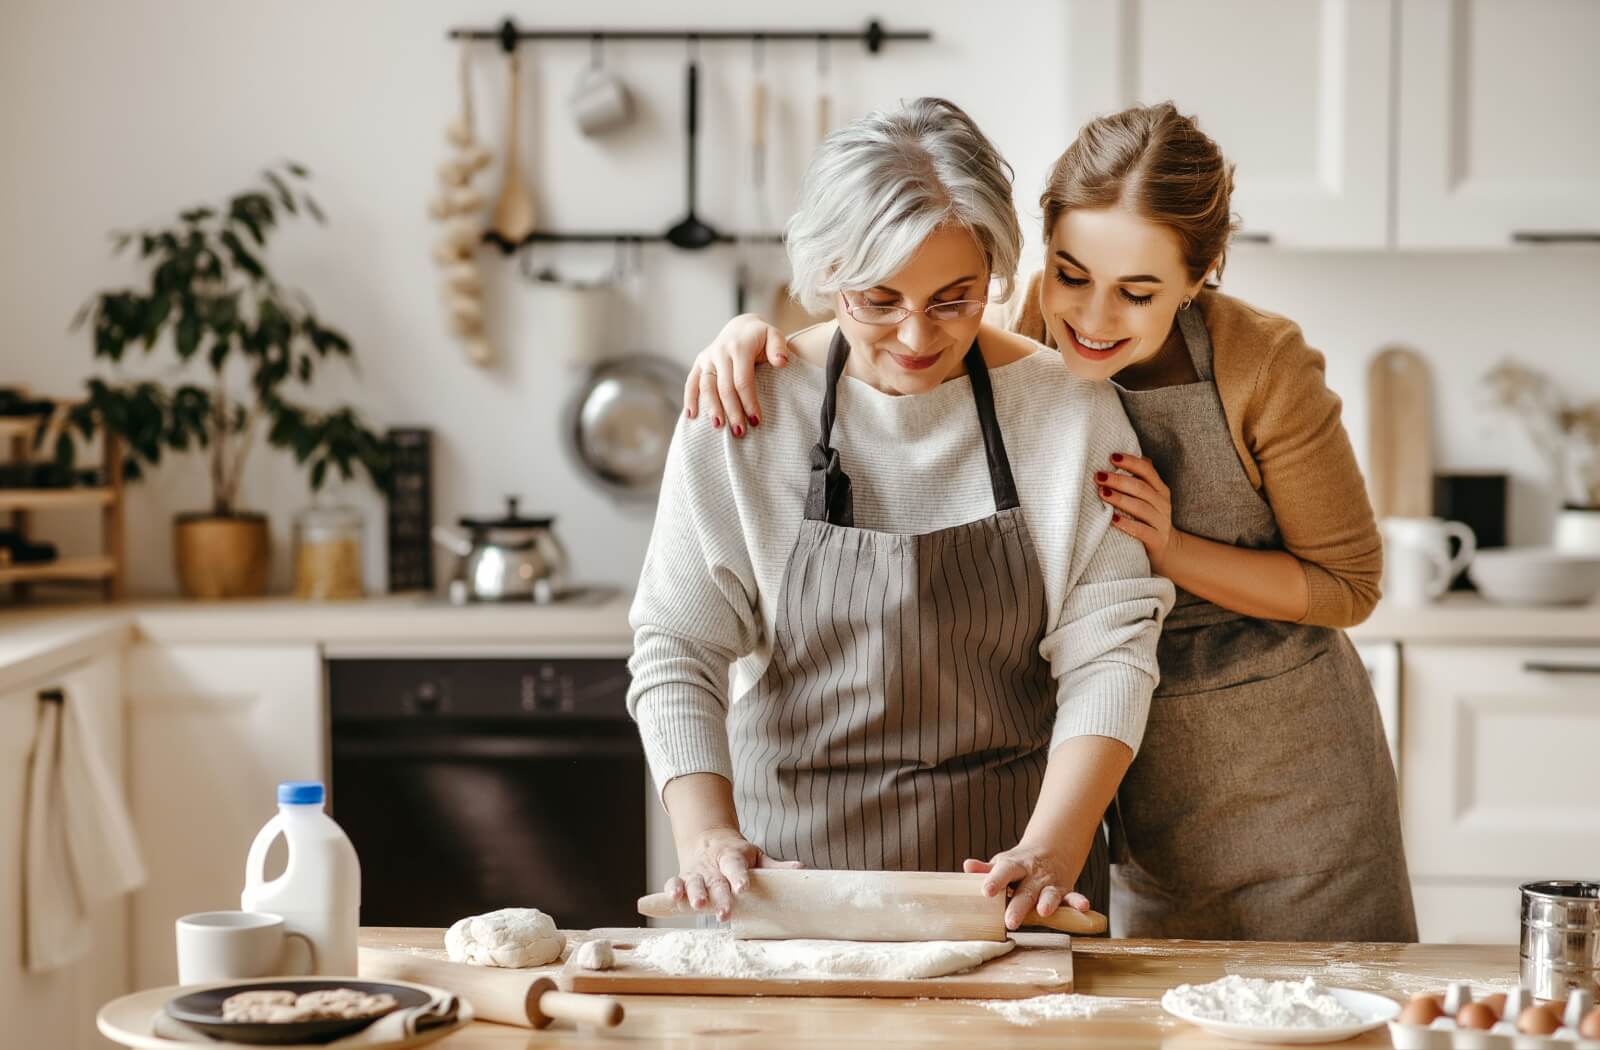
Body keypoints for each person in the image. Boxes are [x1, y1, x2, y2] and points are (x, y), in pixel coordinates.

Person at [680, 101, 1416, 942]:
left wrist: (1168, 549)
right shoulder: (1026, 337)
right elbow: (900, 317)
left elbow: (1347, 586)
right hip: (1125, 778)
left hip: (1284, 772)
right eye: (1071, 275)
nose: (1094, 320)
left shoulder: (1258, 367)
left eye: (1137, 293)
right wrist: (753, 340)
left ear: (1203, 274)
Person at [627, 98, 1172, 931]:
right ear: (826, 275)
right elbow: (677, 643)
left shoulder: (1068, 413)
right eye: (878, 300)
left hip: (1011, 891)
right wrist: (705, 836)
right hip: (788, 891)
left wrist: (1055, 849)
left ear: (995, 270)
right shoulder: (746, 409)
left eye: (956, 299)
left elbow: (1111, 652)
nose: (918, 336)